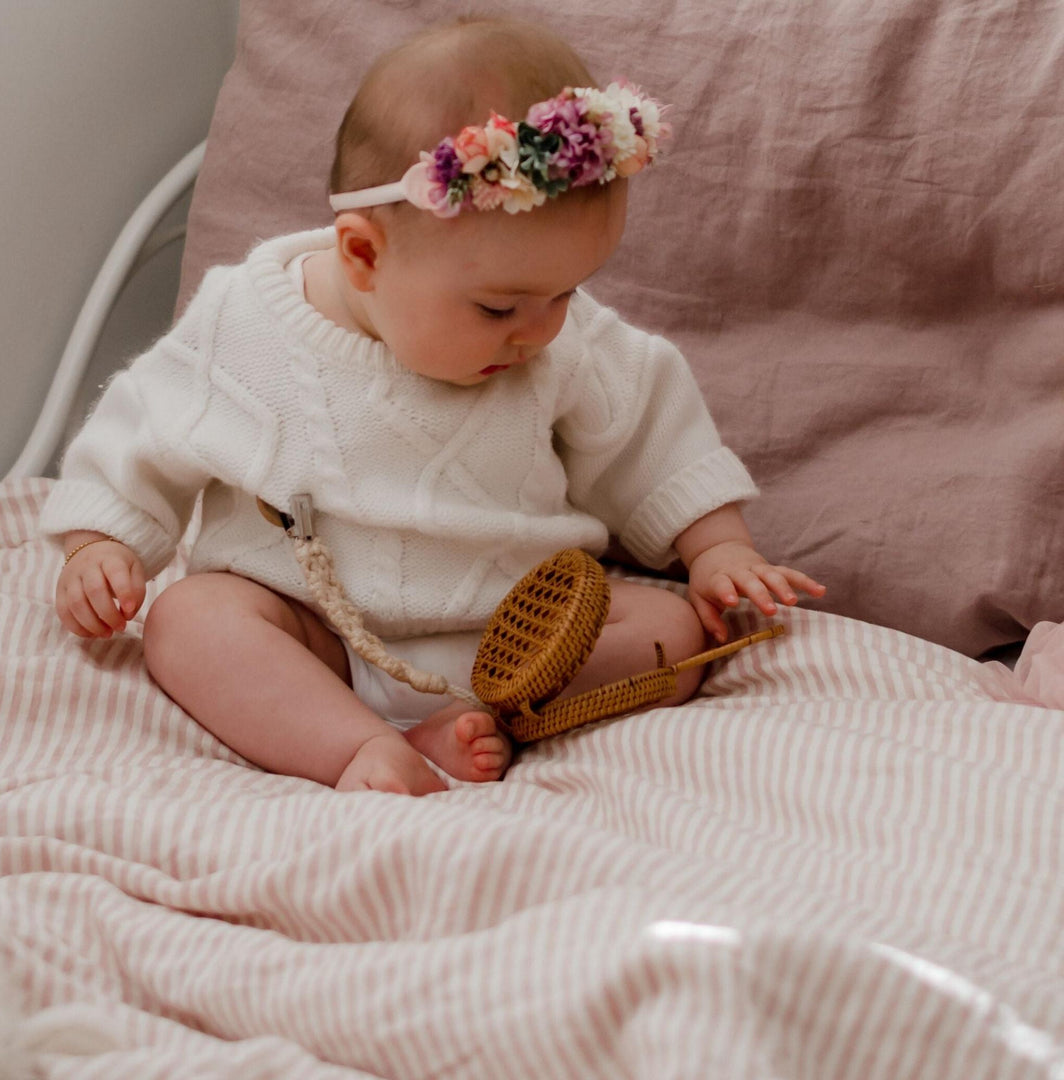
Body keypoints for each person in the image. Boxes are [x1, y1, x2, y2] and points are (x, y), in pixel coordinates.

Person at [40, 16, 825, 797]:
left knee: (672, 630)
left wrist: (717, 547)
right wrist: (98, 545)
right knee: (192, 620)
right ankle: (358, 747)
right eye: (497, 309)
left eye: (566, 292)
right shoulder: (244, 323)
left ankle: (485, 720)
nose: (539, 330)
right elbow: (138, 431)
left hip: (523, 634)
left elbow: (651, 425)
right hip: (316, 634)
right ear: (363, 256)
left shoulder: (558, 336)